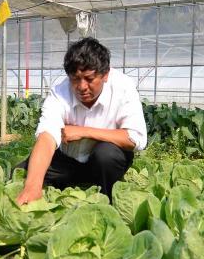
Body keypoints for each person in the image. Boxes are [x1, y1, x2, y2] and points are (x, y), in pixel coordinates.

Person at [16, 37, 147, 204]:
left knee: (106, 155)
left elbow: (136, 138)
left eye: (89, 79)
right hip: (68, 161)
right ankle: (73, 180)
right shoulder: (60, 92)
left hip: (101, 162)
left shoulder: (123, 88)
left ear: (105, 74)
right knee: (22, 174)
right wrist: (32, 186)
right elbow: (47, 135)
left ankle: (107, 198)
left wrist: (84, 132)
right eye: (75, 79)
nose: (82, 86)